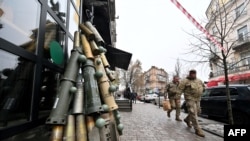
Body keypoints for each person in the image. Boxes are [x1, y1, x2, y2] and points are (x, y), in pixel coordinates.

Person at [178, 69, 205, 137]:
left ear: (196, 74)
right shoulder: (185, 81)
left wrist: (201, 91)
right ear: (189, 74)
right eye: (191, 73)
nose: (193, 74)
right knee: (193, 112)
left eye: (194, 73)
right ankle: (197, 129)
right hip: (190, 98)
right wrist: (178, 98)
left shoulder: (199, 80)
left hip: (197, 98)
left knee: (198, 112)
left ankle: (187, 119)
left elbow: (203, 87)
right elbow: (179, 90)